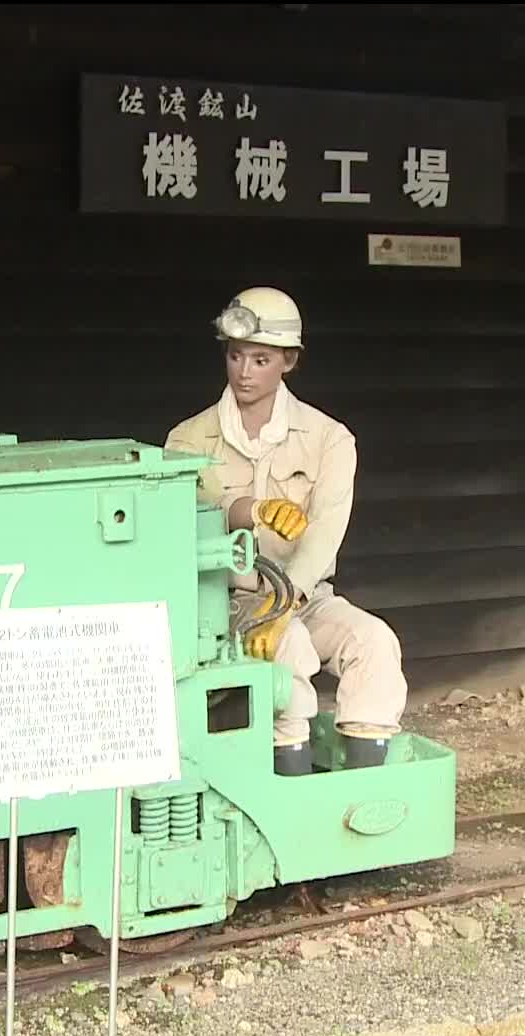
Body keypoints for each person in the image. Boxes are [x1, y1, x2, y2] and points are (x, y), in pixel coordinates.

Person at [165, 286, 408, 775]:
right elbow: (186, 515)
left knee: (374, 641)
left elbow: (326, 532)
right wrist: (249, 510)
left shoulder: (329, 438)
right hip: (221, 607)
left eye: (261, 359)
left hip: (304, 597)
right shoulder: (187, 438)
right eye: (236, 356)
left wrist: (286, 603)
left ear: (289, 362)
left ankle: (363, 782)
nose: (244, 371)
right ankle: (290, 780)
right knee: (289, 647)